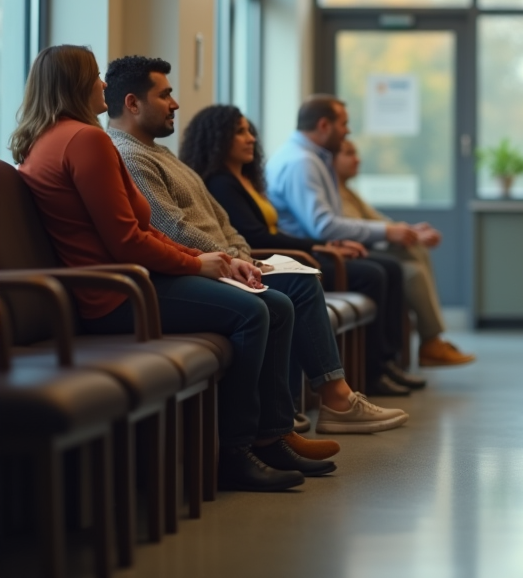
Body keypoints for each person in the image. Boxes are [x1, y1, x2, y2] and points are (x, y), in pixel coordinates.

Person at [11, 45, 308, 492]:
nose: (104, 85)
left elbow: (134, 230)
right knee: (256, 311)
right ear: (75, 85)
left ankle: (271, 435)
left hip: (119, 281)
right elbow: (126, 241)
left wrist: (218, 262)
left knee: (277, 305)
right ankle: (234, 451)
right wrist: (199, 264)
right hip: (115, 294)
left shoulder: (46, 141)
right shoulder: (86, 140)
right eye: (95, 77)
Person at [103, 64, 408, 439]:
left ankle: (293, 414)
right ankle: (321, 406)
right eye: (164, 95)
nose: (175, 103)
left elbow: (222, 219)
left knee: (300, 279)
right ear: (132, 103)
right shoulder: (130, 158)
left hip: (223, 262)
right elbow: (172, 228)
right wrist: (234, 261)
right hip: (193, 270)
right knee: (294, 288)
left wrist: (242, 254)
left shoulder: (162, 155)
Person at [180, 104, 427, 402]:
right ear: (218, 138)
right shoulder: (223, 183)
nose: (251, 139)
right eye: (240, 132)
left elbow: (246, 235)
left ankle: (376, 369)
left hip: (259, 256)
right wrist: (315, 246)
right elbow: (255, 235)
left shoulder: (247, 180)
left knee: (383, 267)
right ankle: (351, 385)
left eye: (250, 131)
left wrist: (317, 247)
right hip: (254, 259)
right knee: (369, 272)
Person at [266, 95, 474, 381]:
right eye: (344, 124)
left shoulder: (313, 159)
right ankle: (375, 371)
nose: (348, 131)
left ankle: (398, 358)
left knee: (396, 263)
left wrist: (400, 232)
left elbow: (340, 221)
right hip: (311, 256)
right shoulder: (302, 163)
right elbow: (323, 227)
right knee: (382, 271)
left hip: (324, 249)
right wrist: (389, 233)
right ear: (324, 125)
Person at [334, 137, 456, 374]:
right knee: (412, 272)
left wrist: (412, 231)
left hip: (365, 249)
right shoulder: (333, 193)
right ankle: (429, 341)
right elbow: (355, 229)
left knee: (415, 248)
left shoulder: (348, 191)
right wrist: (404, 234)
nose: (357, 159)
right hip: (350, 254)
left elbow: (380, 222)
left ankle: (431, 341)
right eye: (349, 153)